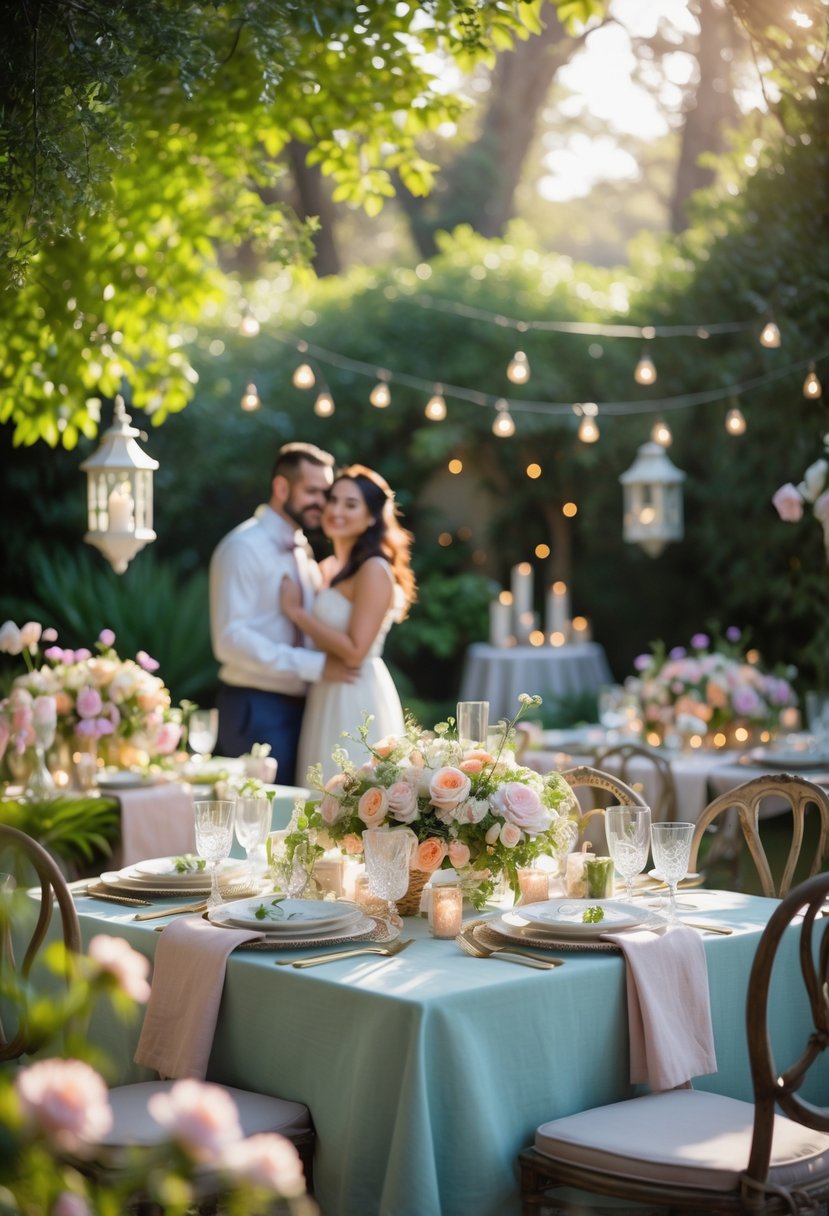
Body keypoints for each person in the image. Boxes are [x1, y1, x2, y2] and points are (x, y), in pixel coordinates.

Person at [209, 441, 356, 785]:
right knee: (255, 823)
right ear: (280, 487)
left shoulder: (302, 551)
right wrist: (315, 666)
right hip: (256, 708)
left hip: (305, 709)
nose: (322, 502)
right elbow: (229, 640)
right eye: (312, 491)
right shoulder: (244, 548)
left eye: (326, 492)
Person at [281, 464, 416, 783]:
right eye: (333, 500)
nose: (336, 510)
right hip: (326, 690)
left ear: (371, 517)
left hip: (357, 692)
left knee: (353, 788)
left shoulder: (374, 569)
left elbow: (356, 651)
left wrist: (298, 614)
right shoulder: (327, 568)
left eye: (350, 504)